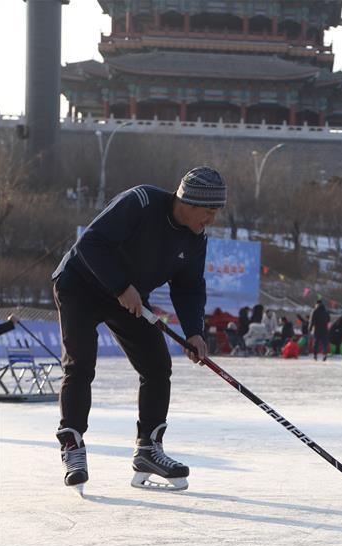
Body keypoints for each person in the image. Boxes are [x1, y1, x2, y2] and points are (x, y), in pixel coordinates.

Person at [50, 165, 226, 493]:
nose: (211, 220)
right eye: (209, 211)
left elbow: (189, 287)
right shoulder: (141, 201)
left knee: (157, 367)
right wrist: (120, 286)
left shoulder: (196, 237)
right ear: (188, 202)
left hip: (129, 297)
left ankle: (148, 449)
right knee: (80, 365)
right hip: (80, 285)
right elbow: (91, 244)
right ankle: (72, 445)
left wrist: (194, 332)